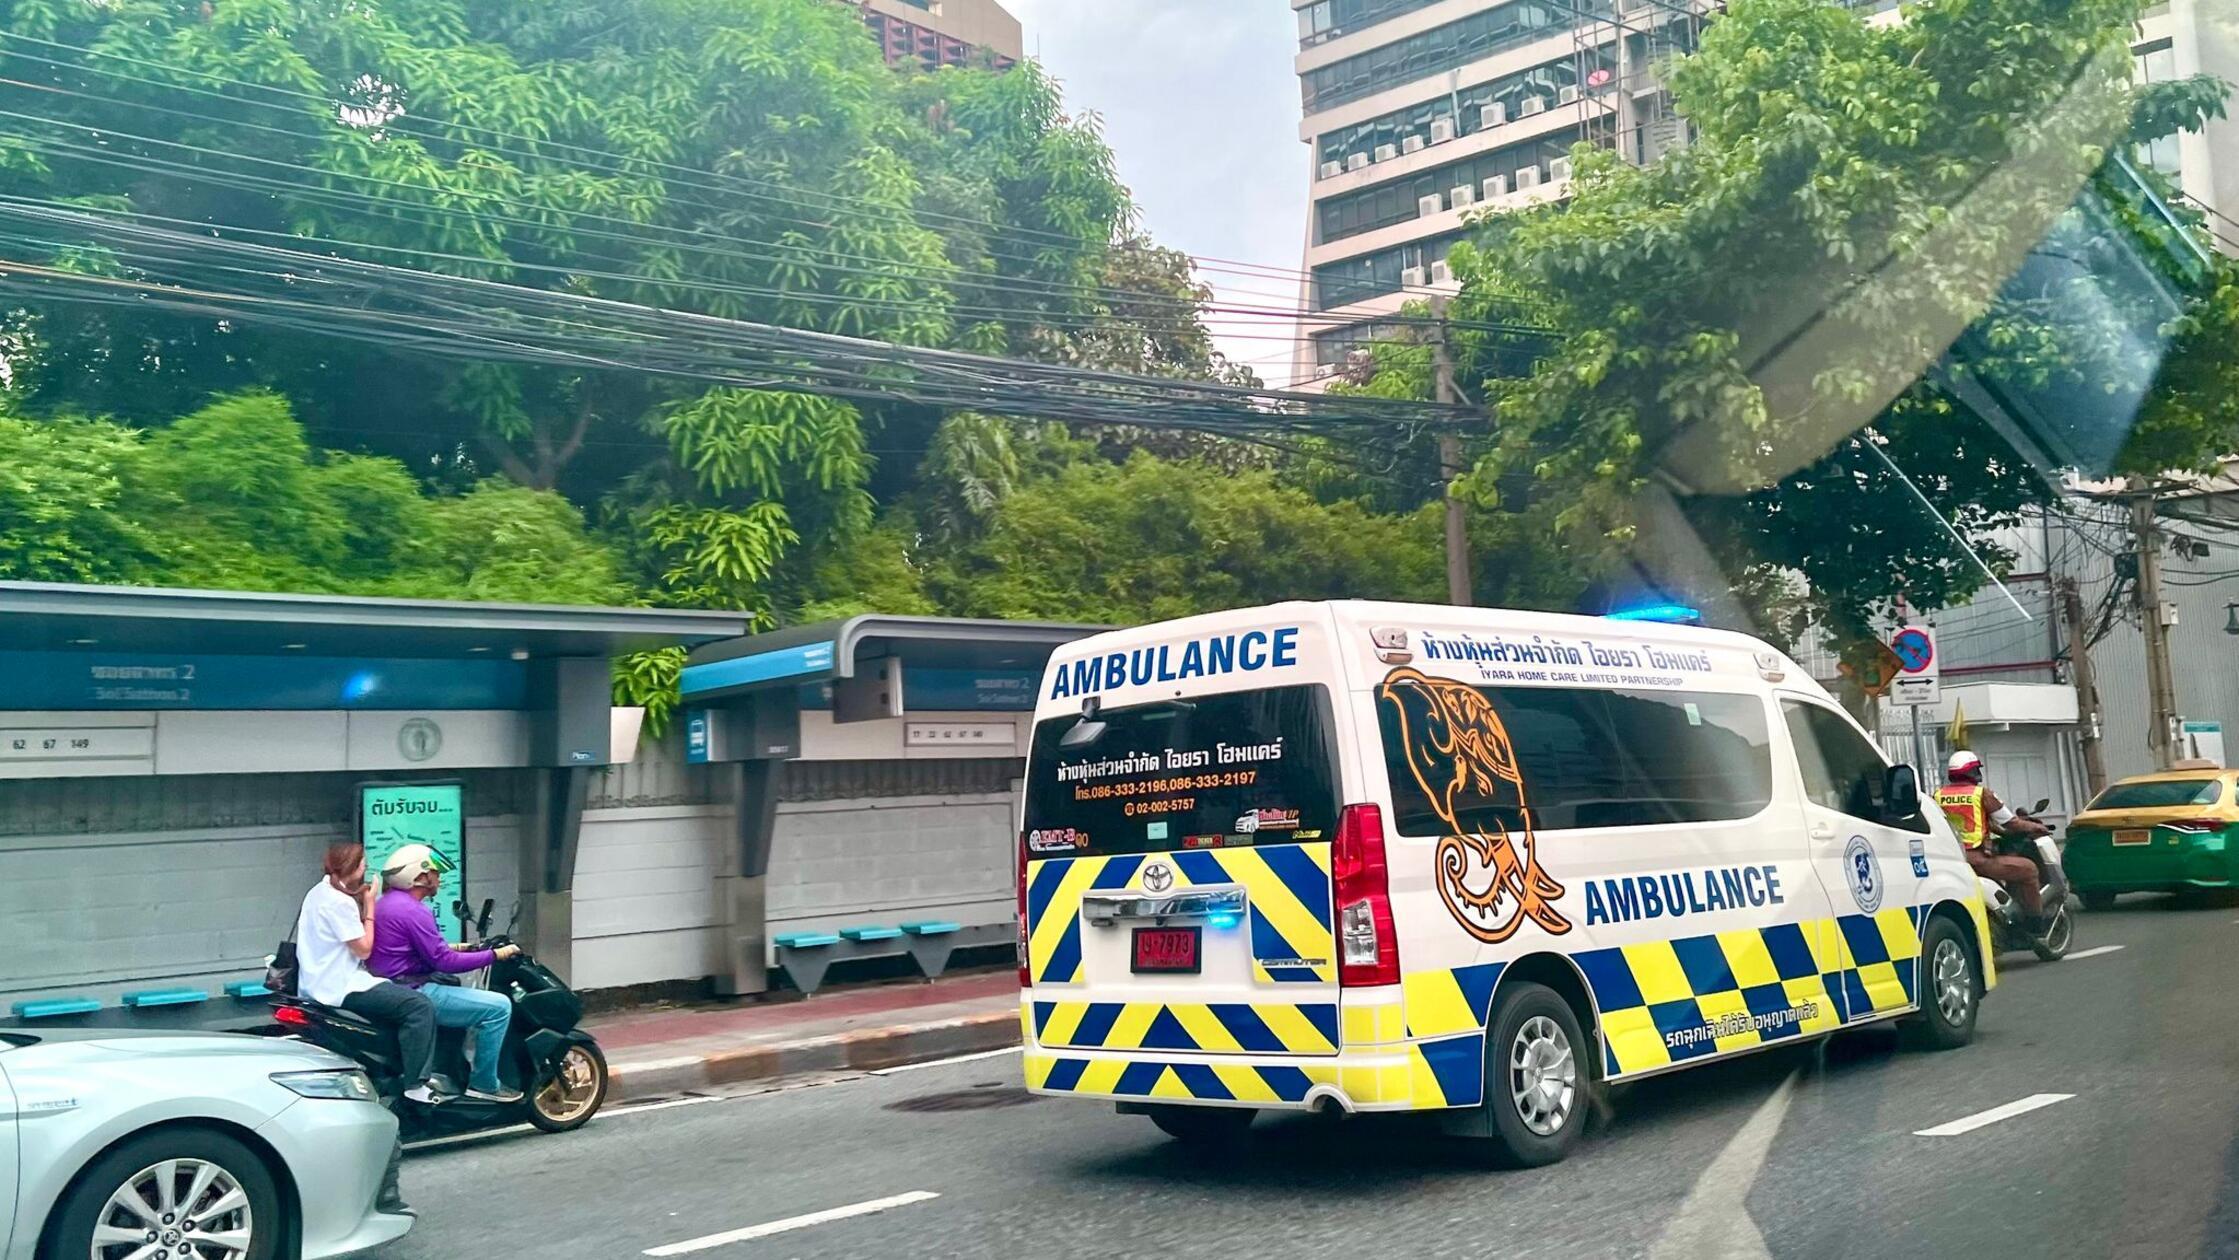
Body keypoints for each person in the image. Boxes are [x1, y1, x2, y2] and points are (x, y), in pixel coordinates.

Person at [369, 843, 525, 1104]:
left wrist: (461, 947)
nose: (439, 879)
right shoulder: (413, 910)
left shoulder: (386, 904)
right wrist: (495, 955)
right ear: (419, 876)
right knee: (499, 1007)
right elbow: (444, 961)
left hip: (392, 986)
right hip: (415, 990)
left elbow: (412, 949)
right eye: (435, 873)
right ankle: (485, 1084)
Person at [295, 842, 446, 1104]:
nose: (367, 868)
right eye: (364, 864)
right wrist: (369, 905)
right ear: (353, 868)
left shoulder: (317, 892)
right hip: (341, 985)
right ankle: (415, 1085)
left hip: (315, 981)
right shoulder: (339, 903)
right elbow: (364, 949)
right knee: (419, 1006)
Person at [1935, 750, 2048, 927]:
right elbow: (2012, 823)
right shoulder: (1981, 794)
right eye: (1977, 771)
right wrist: (2038, 827)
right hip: (1976, 859)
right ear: (1972, 772)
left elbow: (1979, 823)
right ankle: (2036, 924)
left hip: (1951, 860)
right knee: (2029, 870)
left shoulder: (1937, 795)